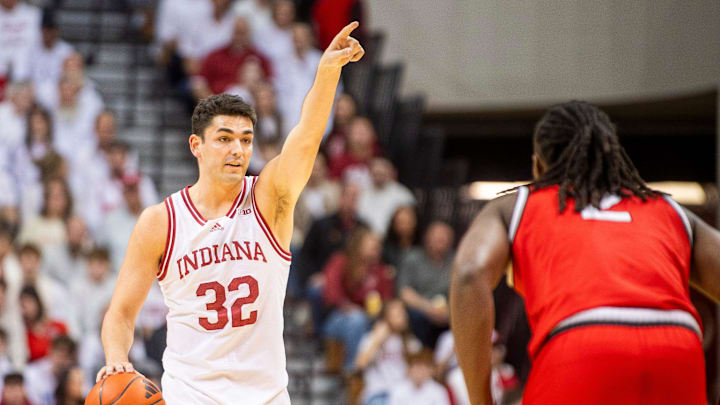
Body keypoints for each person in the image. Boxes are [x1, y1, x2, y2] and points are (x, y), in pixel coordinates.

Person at [97, 23, 364, 404]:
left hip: (266, 397)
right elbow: (121, 313)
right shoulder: (161, 221)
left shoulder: (270, 199)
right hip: (191, 395)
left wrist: (326, 75)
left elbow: (304, 139)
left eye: (245, 140)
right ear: (196, 146)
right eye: (224, 139)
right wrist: (117, 360)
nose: (237, 150)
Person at [450, 101, 720, 405]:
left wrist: (481, 400)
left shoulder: (518, 205)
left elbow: (469, 275)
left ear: (538, 166)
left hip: (581, 343)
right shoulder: (668, 209)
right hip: (679, 349)